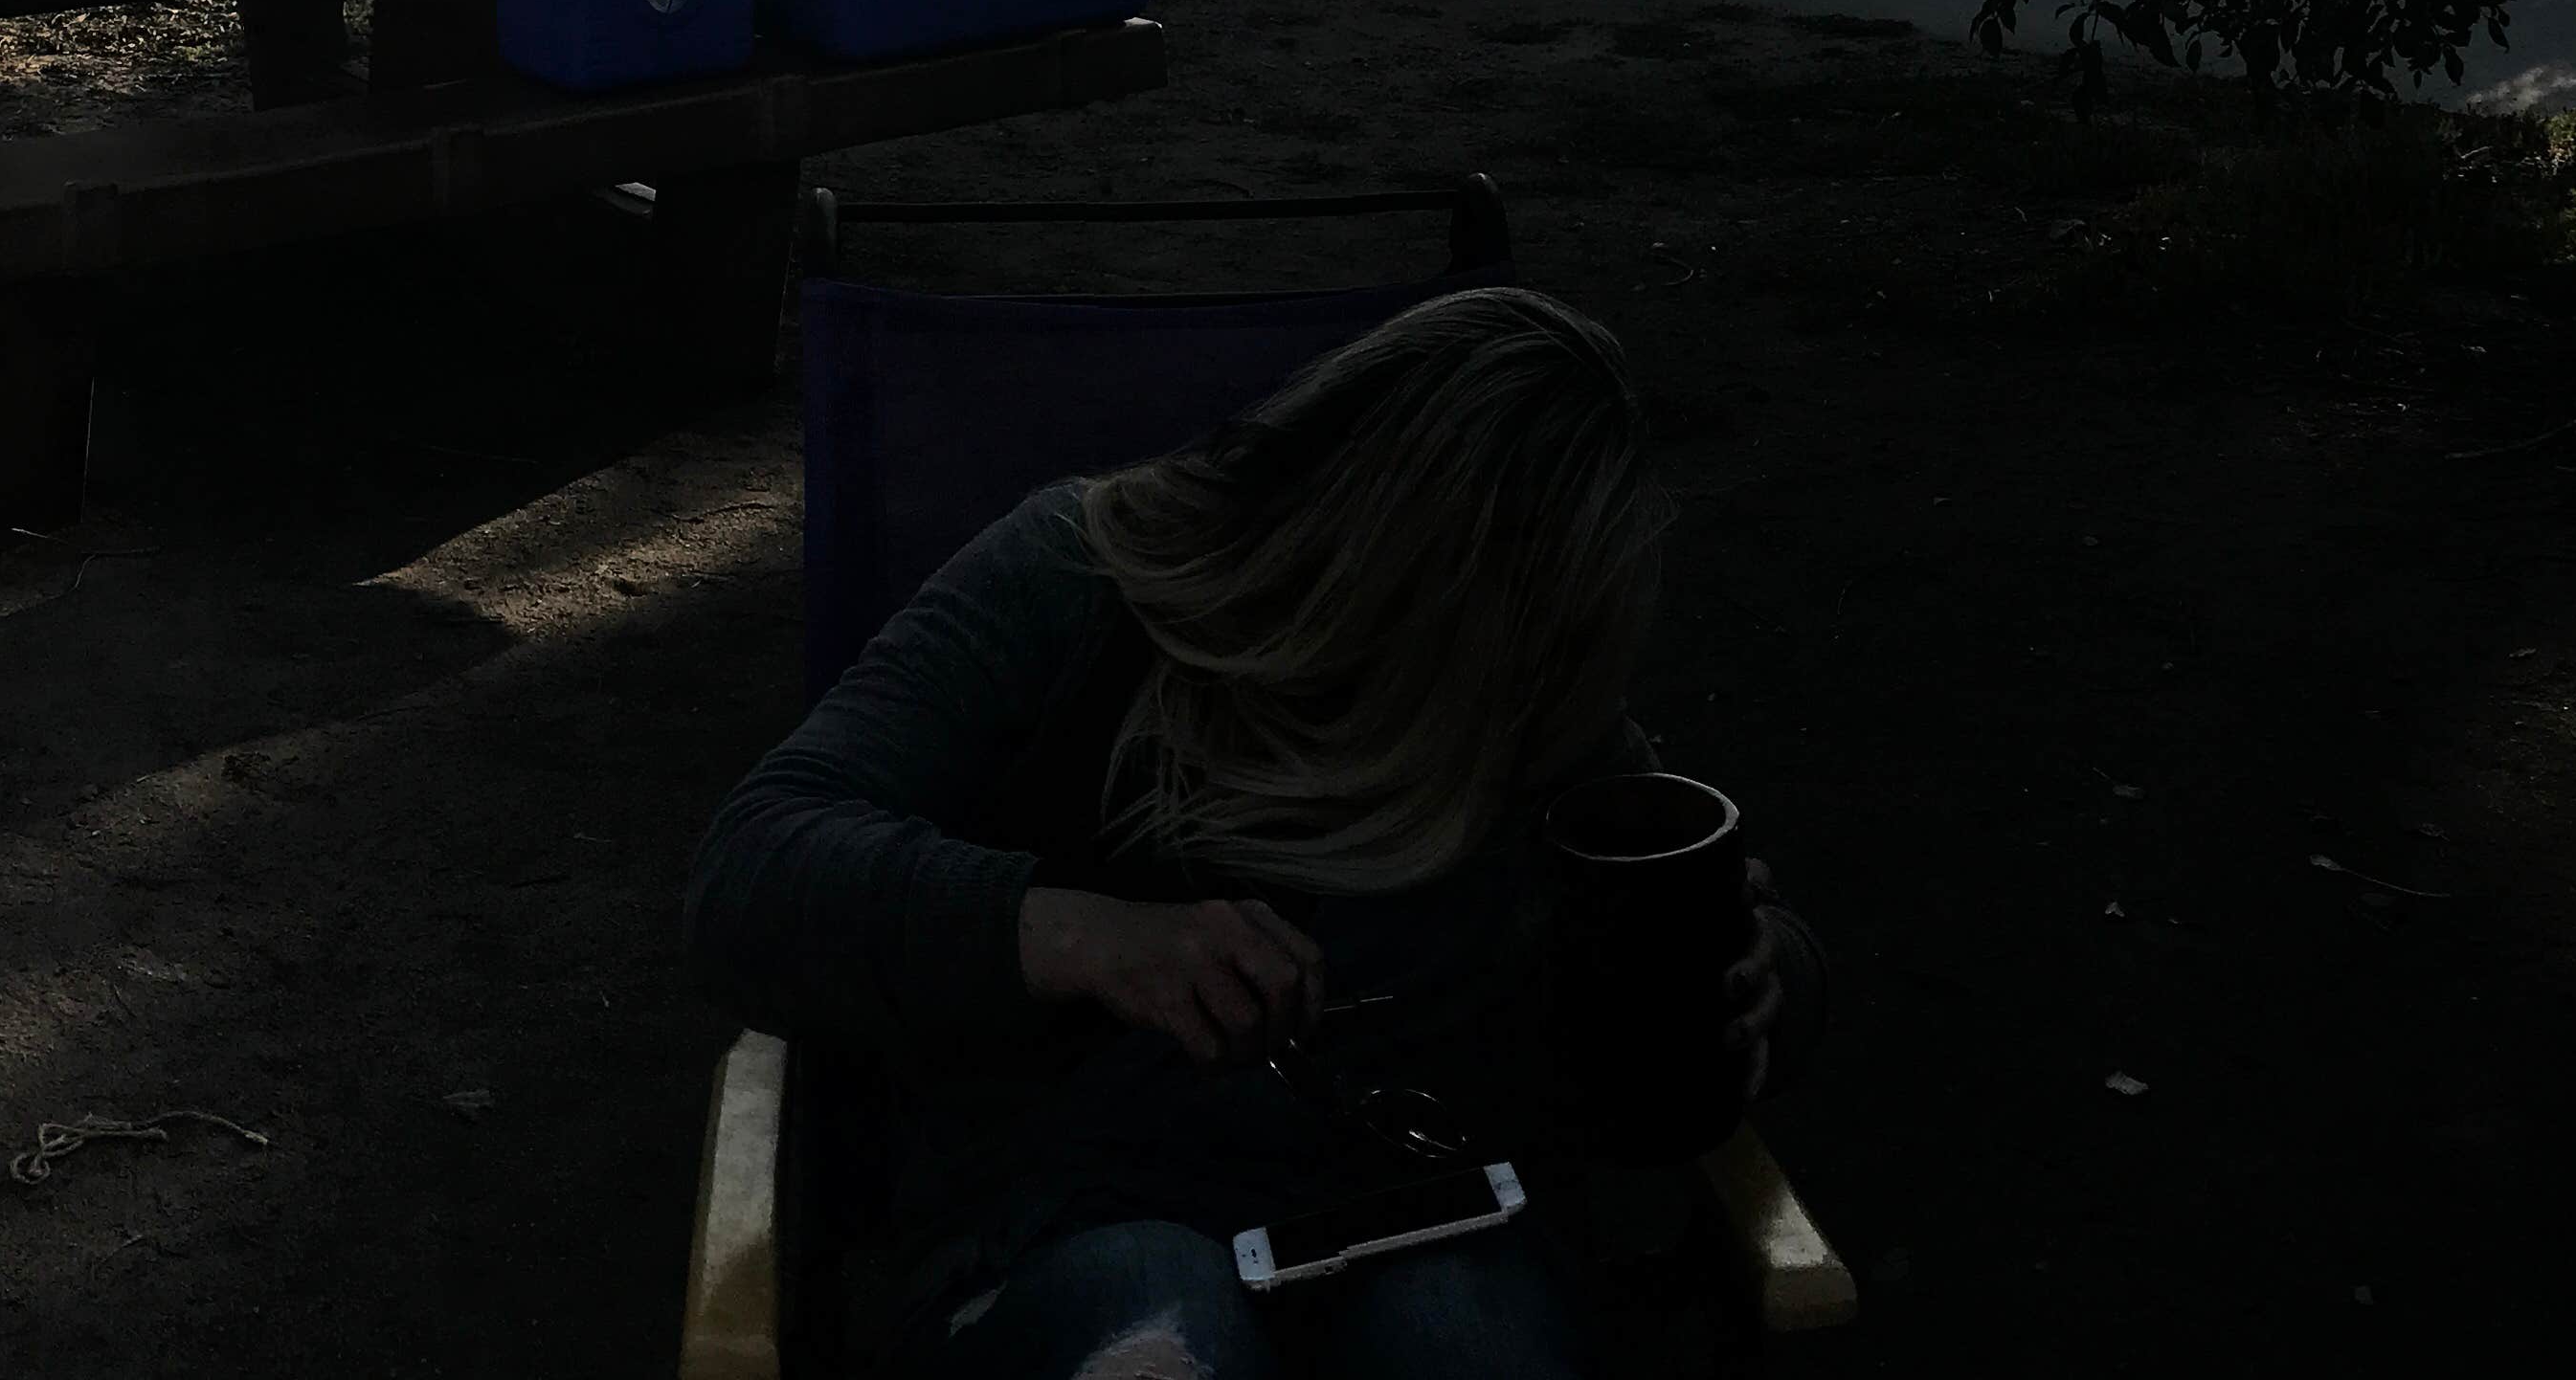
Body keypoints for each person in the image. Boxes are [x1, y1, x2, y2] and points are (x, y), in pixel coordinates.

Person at [695, 289, 1801, 1379]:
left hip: (1416, 1221)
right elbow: (753, 873)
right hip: (1058, 1230)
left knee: (1460, 1329)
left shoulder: (1527, 699)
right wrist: (1085, 938)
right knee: (1153, 1310)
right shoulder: (1077, 587)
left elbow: (1701, 934)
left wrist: (1762, 979)